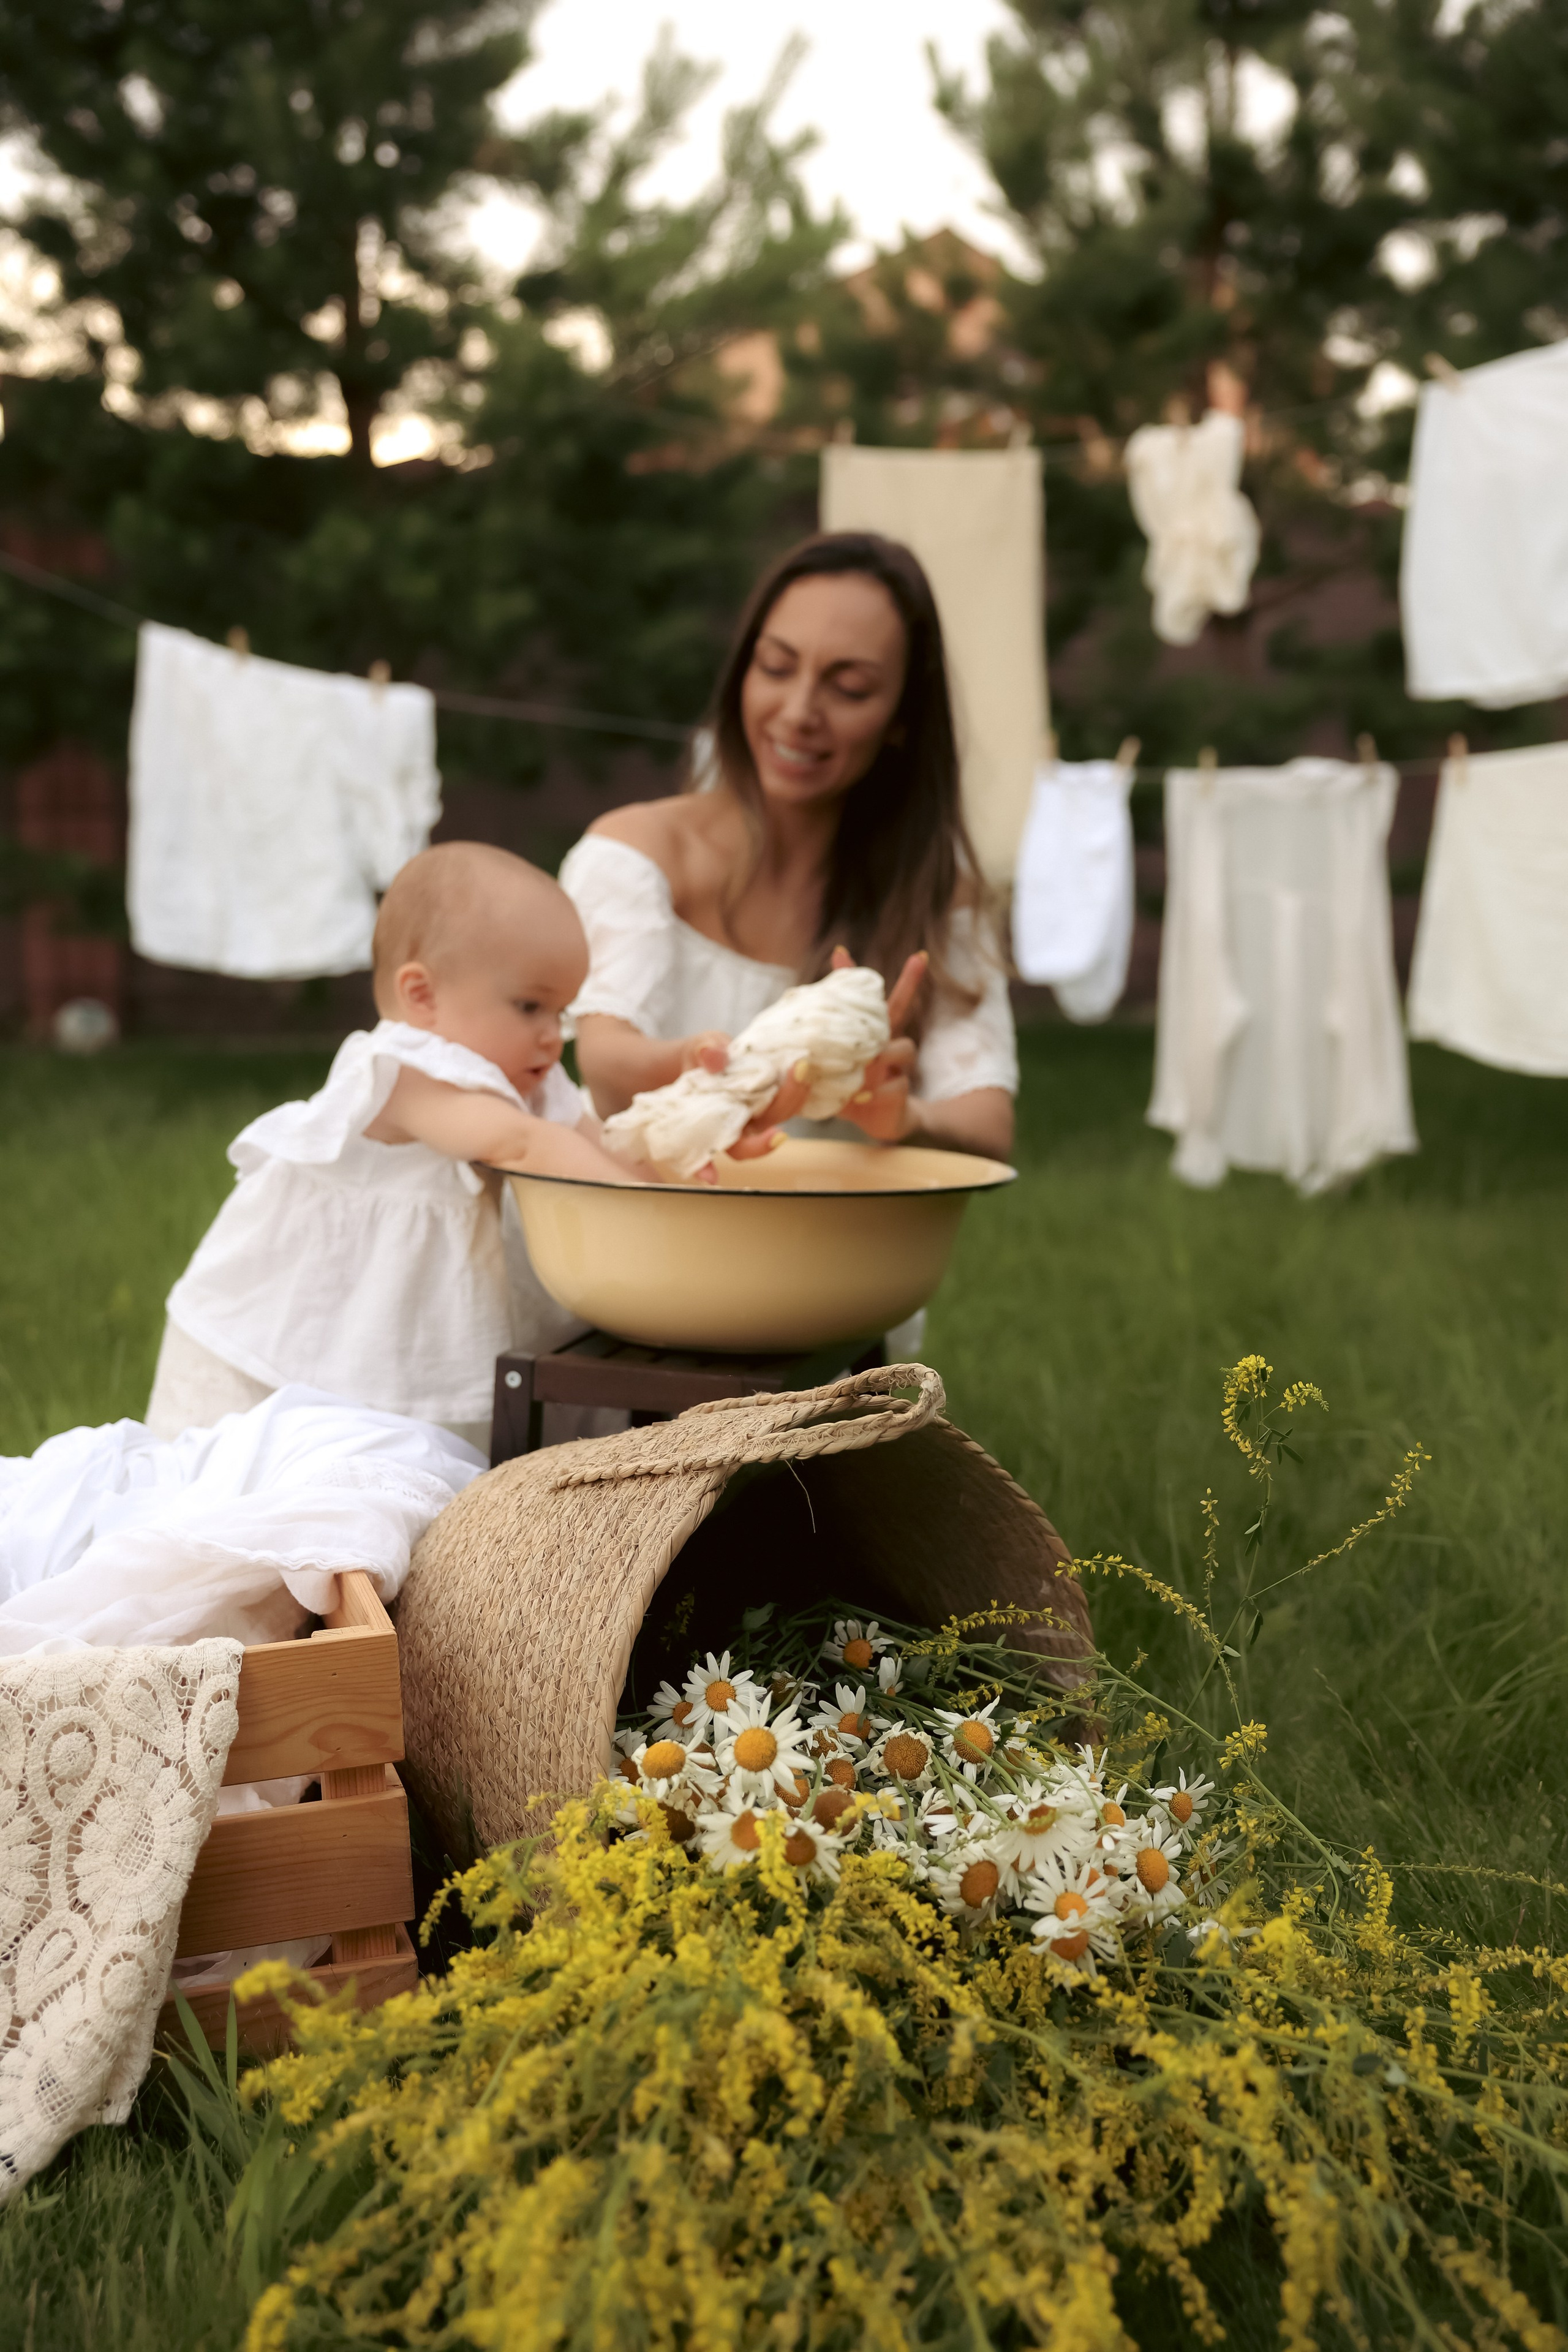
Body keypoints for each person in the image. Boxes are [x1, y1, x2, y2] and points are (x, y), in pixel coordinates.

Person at [144, 842, 669, 1453]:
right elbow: (516, 1142)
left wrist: (671, 1183)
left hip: (416, 1325)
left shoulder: (529, 1076)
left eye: (561, 1011)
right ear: (422, 997)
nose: (553, 1037)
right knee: (264, 1463)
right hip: (308, 1326)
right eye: (530, 1006)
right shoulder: (404, 1067)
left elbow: (598, 1148)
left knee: (425, 1465)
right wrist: (645, 1209)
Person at [560, 532, 1017, 1172]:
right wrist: (706, 1063)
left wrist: (906, 1116)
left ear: (901, 719)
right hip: (631, 1244)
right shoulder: (638, 854)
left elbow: (988, 1123)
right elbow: (606, 1068)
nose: (800, 710)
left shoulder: (937, 893)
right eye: (776, 667)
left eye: (850, 687)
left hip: (820, 1261)